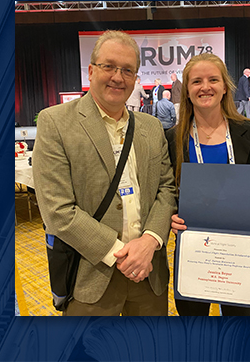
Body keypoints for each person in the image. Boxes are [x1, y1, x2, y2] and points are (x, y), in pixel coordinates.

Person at [33, 30, 177, 316]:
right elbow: (57, 210)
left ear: (136, 78)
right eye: (108, 66)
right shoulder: (56, 122)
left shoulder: (150, 127)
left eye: (127, 70)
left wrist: (149, 241)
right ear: (91, 70)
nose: (117, 77)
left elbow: (167, 189)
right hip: (91, 276)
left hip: (149, 275)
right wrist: (120, 255)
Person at [166, 54, 250, 316]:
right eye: (196, 81)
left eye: (213, 79)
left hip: (241, 254)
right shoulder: (172, 139)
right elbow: (162, 191)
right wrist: (168, 217)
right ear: (187, 91)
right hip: (193, 252)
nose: (205, 87)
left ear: (225, 87)